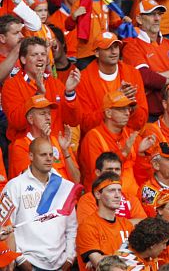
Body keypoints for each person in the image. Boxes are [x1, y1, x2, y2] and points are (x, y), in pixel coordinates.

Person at [2, 137, 78, 271]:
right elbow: (5, 226)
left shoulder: (63, 185)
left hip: (61, 263)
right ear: (31, 156)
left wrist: (70, 257)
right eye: (43, 154)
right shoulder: (15, 186)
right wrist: (20, 259)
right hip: (29, 264)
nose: (49, 158)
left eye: (51, 154)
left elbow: (72, 226)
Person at [122, 0, 169, 116]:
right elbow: (144, 77)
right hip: (150, 114)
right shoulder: (131, 45)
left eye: (159, 14)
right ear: (139, 19)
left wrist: (155, 75)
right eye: (151, 14)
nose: (157, 18)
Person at [1, 37, 80, 142]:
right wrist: (38, 95)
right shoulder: (11, 86)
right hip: (27, 151)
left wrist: (69, 93)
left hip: (55, 149)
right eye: (34, 55)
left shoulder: (56, 84)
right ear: (23, 59)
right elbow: (17, 123)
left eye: (43, 54)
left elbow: (73, 121)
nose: (40, 58)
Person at [74, 32, 148, 133]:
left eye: (116, 46)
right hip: (98, 140)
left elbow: (141, 121)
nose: (114, 52)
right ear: (96, 52)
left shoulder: (132, 73)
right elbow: (86, 124)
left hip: (128, 137)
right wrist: (115, 99)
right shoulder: (83, 79)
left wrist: (133, 106)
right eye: (108, 48)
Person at [8, 95, 79, 182]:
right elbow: (31, 182)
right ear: (31, 119)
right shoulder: (20, 145)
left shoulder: (59, 141)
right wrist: (44, 143)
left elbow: (77, 179)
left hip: (67, 193)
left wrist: (65, 151)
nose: (48, 117)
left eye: (49, 113)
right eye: (42, 114)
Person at [75, 173, 135, 271]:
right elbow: (102, 265)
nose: (117, 195)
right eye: (112, 191)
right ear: (98, 194)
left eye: (119, 190)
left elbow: (139, 257)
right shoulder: (87, 225)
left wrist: (106, 258)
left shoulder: (127, 225)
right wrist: (126, 258)